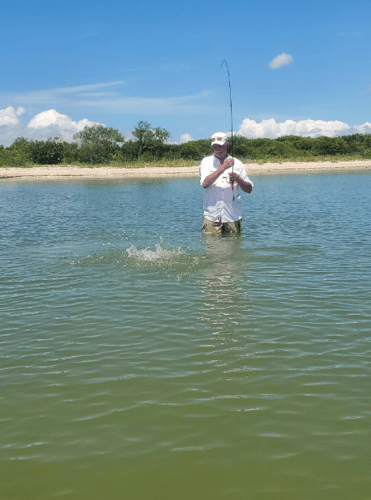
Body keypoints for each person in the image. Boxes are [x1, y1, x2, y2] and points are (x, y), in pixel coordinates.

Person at [199, 132, 253, 234]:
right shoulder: (206, 162)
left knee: (234, 248)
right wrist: (224, 167)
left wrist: (238, 179)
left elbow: (249, 189)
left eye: (220, 146)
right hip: (211, 218)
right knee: (211, 249)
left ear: (227, 145)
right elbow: (205, 184)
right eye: (215, 146)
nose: (218, 149)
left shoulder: (237, 163)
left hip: (233, 217)